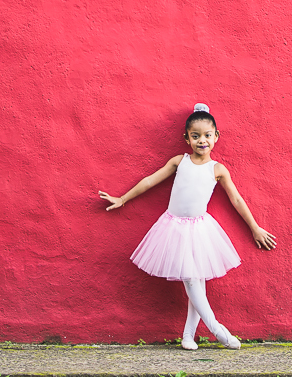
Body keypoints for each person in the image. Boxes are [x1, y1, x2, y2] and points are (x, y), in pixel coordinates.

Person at [98, 103, 277, 350]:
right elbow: (150, 180)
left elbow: (236, 199)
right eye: (195, 136)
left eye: (206, 135)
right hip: (174, 229)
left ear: (216, 137)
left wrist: (255, 227)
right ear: (187, 139)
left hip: (200, 230)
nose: (201, 141)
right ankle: (218, 329)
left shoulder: (218, 170)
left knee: (197, 282)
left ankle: (188, 336)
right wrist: (123, 198)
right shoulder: (179, 162)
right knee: (193, 281)